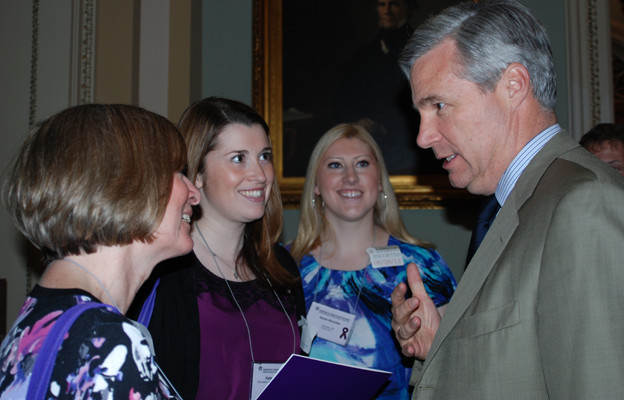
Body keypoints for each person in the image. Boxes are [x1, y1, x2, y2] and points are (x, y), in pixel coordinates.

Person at [390, 1, 624, 398]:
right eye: (420, 113)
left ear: (513, 85)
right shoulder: (515, 203)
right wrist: (441, 344)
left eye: (439, 106)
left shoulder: (582, 205)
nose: (423, 136)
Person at [0, 104, 200, 399]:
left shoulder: (37, 322)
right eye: (178, 172)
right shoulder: (107, 345)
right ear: (127, 186)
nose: (195, 192)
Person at [129, 97, 306, 400]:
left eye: (264, 156)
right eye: (239, 158)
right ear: (196, 173)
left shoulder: (281, 264)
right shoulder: (162, 270)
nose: (261, 175)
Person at [289, 123, 456, 399]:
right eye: (335, 165)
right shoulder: (283, 267)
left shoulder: (424, 267)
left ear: (379, 181)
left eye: (362, 164)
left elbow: (460, 360)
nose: (351, 177)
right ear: (316, 184)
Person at [333, 0, 440, 175]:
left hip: (406, 145)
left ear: (408, 8)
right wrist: (357, 122)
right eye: (382, 4)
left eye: (395, 4)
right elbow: (344, 100)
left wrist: (384, 127)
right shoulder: (363, 55)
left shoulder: (422, 54)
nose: (387, 11)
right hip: (366, 141)